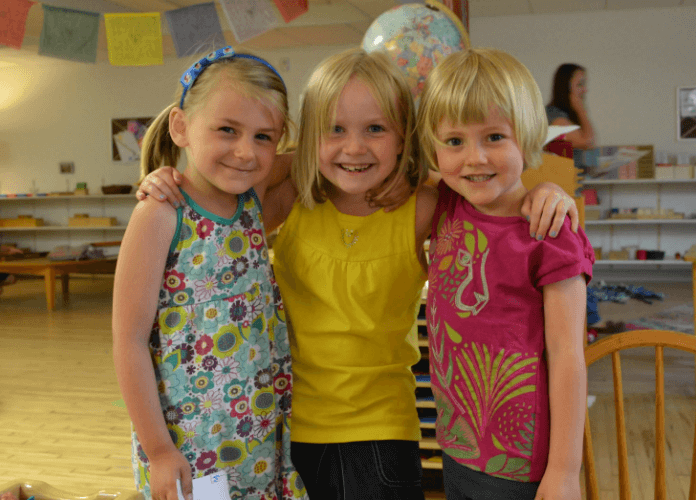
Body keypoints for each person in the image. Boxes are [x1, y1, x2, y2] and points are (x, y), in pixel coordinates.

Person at [136, 47, 580, 499]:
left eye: (375, 129)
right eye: (335, 130)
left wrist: (547, 191)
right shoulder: (290, 197)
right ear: (310, 138)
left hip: (383, 434)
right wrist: (168, 177)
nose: (354, 147)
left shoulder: (423, 205)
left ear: (404, 136)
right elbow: (231, 172)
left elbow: (488, 188)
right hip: (283, 433)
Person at [112, 46, 306, 500]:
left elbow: (317, 159)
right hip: (189, 445)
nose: (245, 151)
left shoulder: (251, 201)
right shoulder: (161, 214)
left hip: (259, 437)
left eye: (264, 136)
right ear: (180, 127)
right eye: (227, 130)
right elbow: (128, 339)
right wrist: (159, 451)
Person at [417, 47, 594, 500]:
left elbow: (569, 358)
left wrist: (565, 471)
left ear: (527, 135)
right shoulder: (449, 202)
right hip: (455, 447)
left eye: (494, 137)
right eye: (454, 142)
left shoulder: (551, 233)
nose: (474, 158)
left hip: (522, 467)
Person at [546, 63, 595, 151]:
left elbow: (591, 146)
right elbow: (587, 143)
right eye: (580, 84)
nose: (585, 90)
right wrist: (581, 111)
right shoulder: (555, 115)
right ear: (566, 87)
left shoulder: (568, 114)